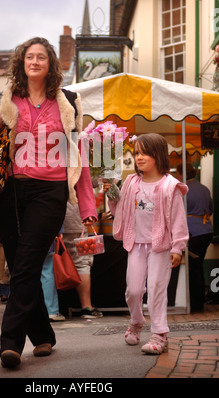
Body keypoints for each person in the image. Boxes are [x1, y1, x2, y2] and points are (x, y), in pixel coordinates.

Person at [0, 37, 97, 369]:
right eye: (29, 56)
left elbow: (76, 157)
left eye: (41, 57)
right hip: (9, 191)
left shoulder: (68, 103)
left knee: (26, 264)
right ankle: (42, 335)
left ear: (51, 64)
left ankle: (9, 344)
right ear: (21, 63)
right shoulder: (4, 100)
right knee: (20, 264)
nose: (35, 61)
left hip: (50, 192)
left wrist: (88, 209)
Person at [103, 133, 189, 355]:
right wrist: (112, 196)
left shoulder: (171, 186)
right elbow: (121, 210)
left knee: (156, 289)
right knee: (133, 290)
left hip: (161, 246)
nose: (139, 157)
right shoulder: (132, 182)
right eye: (137, 152)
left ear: (157, 154)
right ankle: (136, 320)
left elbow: (179, 219)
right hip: (136, 244)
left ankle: (159, 334)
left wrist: (178, 247)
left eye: (144, 152)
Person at [175, 163, 214, 312]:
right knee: (198, 267)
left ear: (181, 174)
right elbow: (210, 209)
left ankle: (195, 304)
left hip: (193, 233)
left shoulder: (183, 190)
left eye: (177, 173)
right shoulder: (204, 188)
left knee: (193, 269)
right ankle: (199, 302)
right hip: (206, 231)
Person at [63, 201, 103, 319]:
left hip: (55, 220)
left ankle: (52, 308)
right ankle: (86, 307)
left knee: (49, 262)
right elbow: (93, 183)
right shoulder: (81, 181)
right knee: (82, 263)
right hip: (77, 219)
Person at [41, 232, 65, 322]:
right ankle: (51, 311)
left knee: (25, 274)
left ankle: (24, 310)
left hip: (22, 242)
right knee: (47, 272)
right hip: (45, 237)